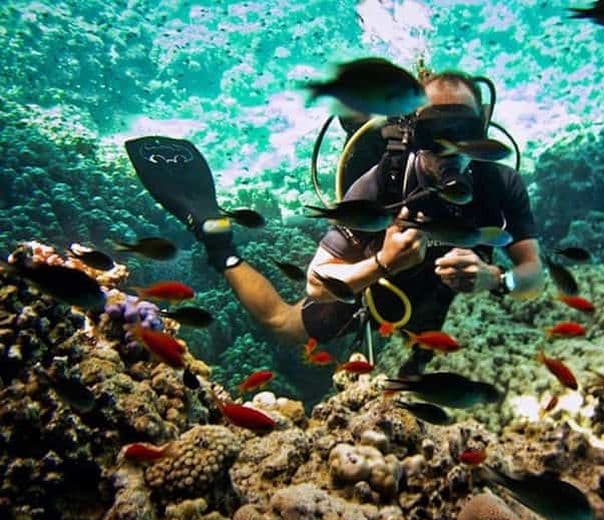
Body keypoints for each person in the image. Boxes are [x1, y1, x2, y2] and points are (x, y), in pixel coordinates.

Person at [125, 70, 545, 376]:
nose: (451, 148)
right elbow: (315, 281)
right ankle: (220, 245)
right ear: (413, 129)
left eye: (465, 130)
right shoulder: (384, 180)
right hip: (379, 289)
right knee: (283, 324)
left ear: (484, 125)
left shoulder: (499, 181)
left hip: (454, 312)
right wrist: (382, 263)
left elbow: (533, 275)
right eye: (436, 131)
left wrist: (496, 278)